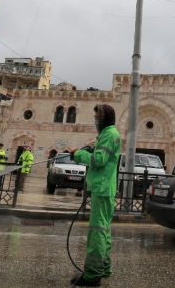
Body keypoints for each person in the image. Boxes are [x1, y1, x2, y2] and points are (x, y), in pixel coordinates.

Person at [70, 104, 122, 286]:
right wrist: (91, 149)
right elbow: (101, 155)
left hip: (102, 188)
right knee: (103, 231)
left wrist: (79, 155)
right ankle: (103, 268)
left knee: (97, 232)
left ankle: (92, 275)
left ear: (105, 118)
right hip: (105, 188)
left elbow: (99, 160)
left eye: (97, 117)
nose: (95, 120)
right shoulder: (109, 134)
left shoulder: (109, 134)